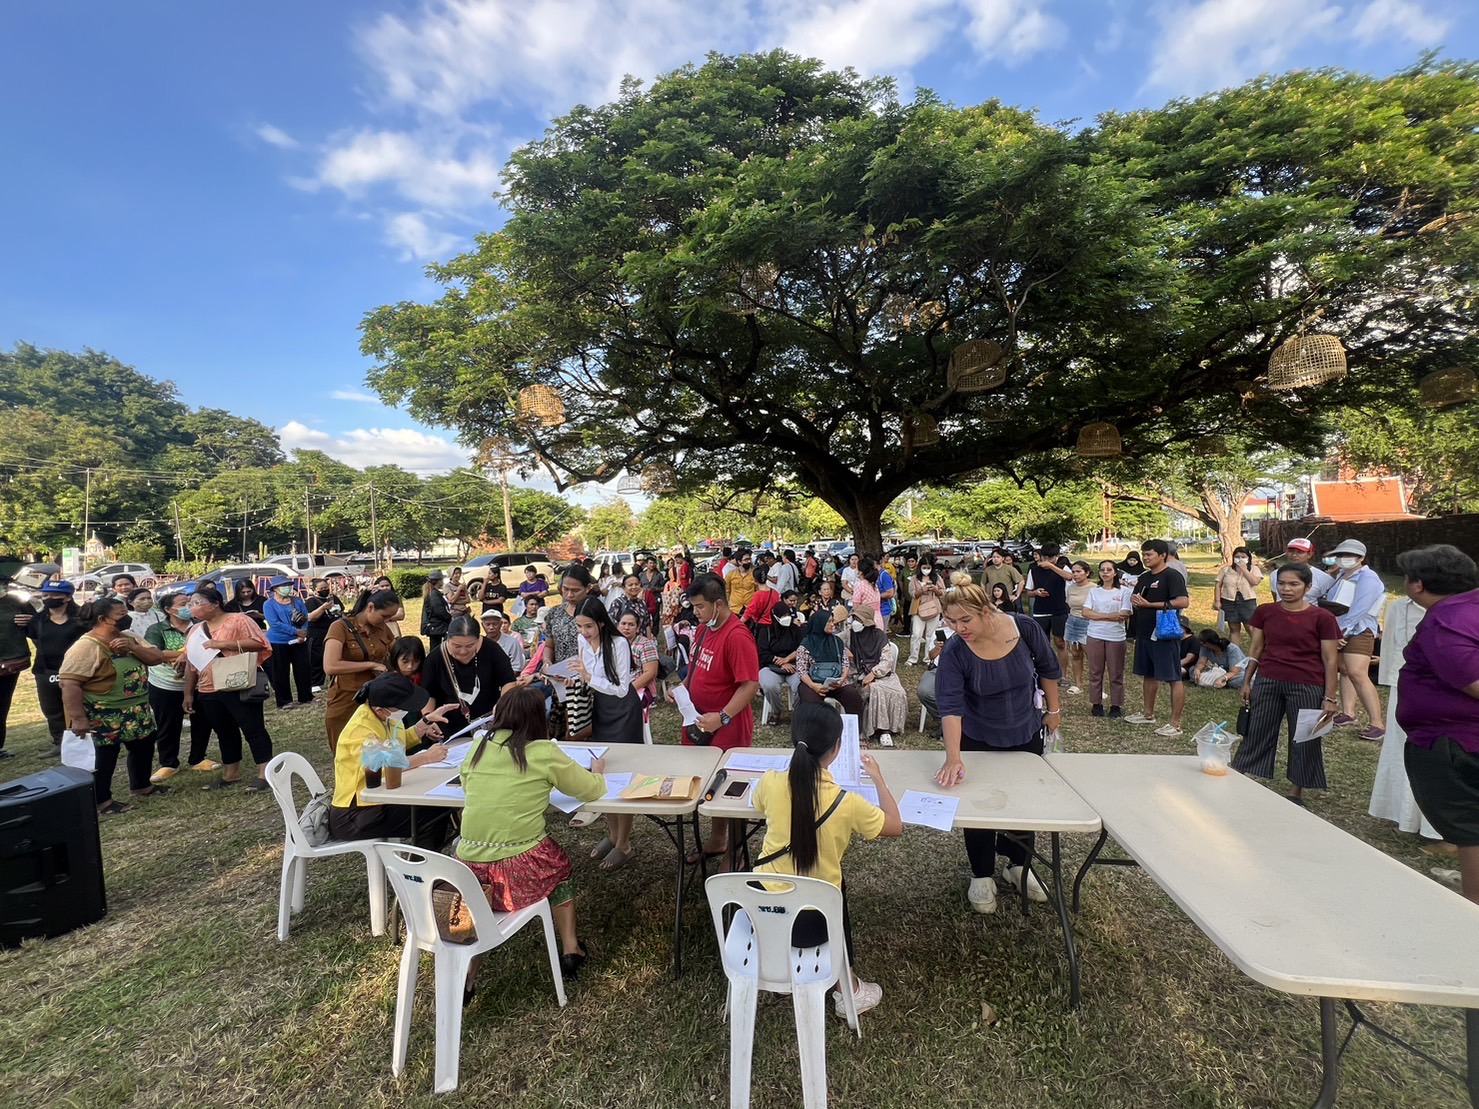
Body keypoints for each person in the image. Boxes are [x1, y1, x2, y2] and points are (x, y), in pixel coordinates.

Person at [751, 704, 904, 1016]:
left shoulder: (770, 782)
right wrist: (879, 780)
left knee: (824, 887)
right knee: (834, 887)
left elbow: (756, 803)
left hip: (763, 915)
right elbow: (895, 826)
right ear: (837, 749)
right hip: (815, 923)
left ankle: (780, 969)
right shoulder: (847, 803)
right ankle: (848, 988)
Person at [456, 686, 607, 986]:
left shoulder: (479, 746)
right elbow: (590, 789)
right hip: (517, 871)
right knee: (560, 868)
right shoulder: (543, 751)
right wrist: (599, 771)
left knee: (477, 911)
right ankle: (570, 948)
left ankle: (469, 973)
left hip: (468, 870)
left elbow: (466, 784)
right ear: (539, 717)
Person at [933, 572, 1062, 914]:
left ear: (986, 610)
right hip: (979, 736)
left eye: (965, 619)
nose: (959, 628)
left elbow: (1049, 668)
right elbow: (950, 705)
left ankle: (1019, 865)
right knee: (979, 808)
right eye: (951, 621)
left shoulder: (1024, 628)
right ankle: (981, 875)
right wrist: (953, 757)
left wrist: (1054, 711)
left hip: (1025, 732)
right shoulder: (956, 652)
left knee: (1024, 803)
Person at [1393, 544, 1479, 903]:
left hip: (1457, 742)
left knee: (1472, 830)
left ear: (1417, 585)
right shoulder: (1470, 606)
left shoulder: (1446, 623)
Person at [1232, 564, 1342, 805]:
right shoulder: (1265, 612)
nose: (1287, 589)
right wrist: (1247, 680)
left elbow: (1330, 659)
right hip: (1268, 679)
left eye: (1294, 584)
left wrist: (1330, 697)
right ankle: (1240, 776)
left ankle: (1296, 791)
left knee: (1304, 737)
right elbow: (1257, 648)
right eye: (1282, 583)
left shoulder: (1323, 618)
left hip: (1308, 684)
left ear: (1308, 587)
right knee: (1257, 730)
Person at [673, 573, 760, 864]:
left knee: (730, 791)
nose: (695, 612)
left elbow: (750, 684)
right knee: (708, 786)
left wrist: (722, 717)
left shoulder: (737, 636)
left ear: (719, 604)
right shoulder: (703, 629)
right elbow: (696, 666)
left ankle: (735, 851)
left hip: (726, 728)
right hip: (699, 723)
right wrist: (683, 690)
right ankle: (718, 840)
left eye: (699, 606)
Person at [58, 596, 173, 813]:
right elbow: (69, 683)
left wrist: (133, 648)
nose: (126, 617)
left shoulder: (129, 636)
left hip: (137, 709)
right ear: (103, 619)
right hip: (104, 712)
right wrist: (79, 718)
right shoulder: (86, 646)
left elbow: (157, 657)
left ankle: (142, 786)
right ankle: (102, 801)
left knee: (144, 745)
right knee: (105, 756)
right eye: (121, 615)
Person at [328, 673, 452, 846]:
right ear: (381, 709)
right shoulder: (362, 729)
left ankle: (422, 865)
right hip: (355, 813)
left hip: (380, 799)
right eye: (402, 707)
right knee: (430, 814)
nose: (406, 710)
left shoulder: (384, 715)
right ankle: (418, 869)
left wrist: (425, 722)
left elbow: (396, 743)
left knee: (437, 809)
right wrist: (425, 757)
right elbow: (387, 764)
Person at [570, 597, 643, 869]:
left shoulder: (619, 643)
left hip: (622, 710)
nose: (584, 632)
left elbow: (622, 688)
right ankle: (612, 835)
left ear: (601, 622)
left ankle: (624, 842)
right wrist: (575, 677)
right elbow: (586, 673)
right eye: (579, 626)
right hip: (600, 707)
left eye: (588, 626)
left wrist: (589, 679)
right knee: (605, 770)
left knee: (622, 776)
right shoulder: (582, 642)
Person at [182, 585, 275, 792]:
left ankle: (265, 773)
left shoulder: (238, 620)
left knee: (253, 728)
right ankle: (231, 773)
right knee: (224, 731)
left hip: (237, 682)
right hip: (208, 688)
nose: (193, 608)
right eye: (191, 604)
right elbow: (191, 663)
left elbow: (259, 643)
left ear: (215, 604)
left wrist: (223, 644)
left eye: (197, 603)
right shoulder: (195, 630)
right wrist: (188, 693)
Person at [1367, 589, 1440, 841]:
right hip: (1406, 687)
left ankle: (1439, 826)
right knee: (1402, 750)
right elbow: (1391, 653)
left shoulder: (1461, 610)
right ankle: (1405, 816)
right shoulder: (1398, 608)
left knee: (1442, 756)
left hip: (1449, 691)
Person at [145, 591, 217, 781]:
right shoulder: (157, 629)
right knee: (168, 724)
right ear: (169, 610)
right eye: (184, 604)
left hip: (200, 682)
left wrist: (186, 654)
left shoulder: (201, 626)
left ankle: (198, 758)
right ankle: (169, 763)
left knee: (202, 721)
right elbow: (155, 653)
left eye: (191, 603)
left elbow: (211, 645)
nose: (189, 607)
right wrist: (183, 653)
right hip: (165, 684)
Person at [1322, 539, 1387, 740]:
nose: (1344, 558)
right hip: (1340, 629)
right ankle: (1349, 713)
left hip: (1358, 630)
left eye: (1349, 555)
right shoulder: (1341, 575)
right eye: (1341, 554)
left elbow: (1360, 608)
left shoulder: (1368, 578)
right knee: (1345, 671)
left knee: (1358, 673)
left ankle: (1377, 723)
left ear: (1361, 558)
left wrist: (1342, 632)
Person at [1124, 540, 1190, 737]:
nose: (1145, 558)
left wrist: (1151, 605)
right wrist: (1136, 602)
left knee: (1173, 677)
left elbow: (1183, 601)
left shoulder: (1172, 575)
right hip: (1144, 631)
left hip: (1164, 632)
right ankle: (1148, 714)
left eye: (1149, 555)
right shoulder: (1144, 577)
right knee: (1149, 674)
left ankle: (1175, 723)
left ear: (1162, 555)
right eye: (1144, 554)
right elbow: (1137, 598)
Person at [322, 589, 399, 752]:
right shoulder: (340, 627)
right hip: (347, 699)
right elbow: (330, 665)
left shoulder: (382, 629)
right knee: (345, 753)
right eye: (384, 616)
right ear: (370, 607)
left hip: (376, 700)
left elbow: (397, 653)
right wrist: (371, 665)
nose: (387, 620)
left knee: (377, 753)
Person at [422, 614, 517, 736]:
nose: (463, 651)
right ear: (448, 639)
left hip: (489, 723)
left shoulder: (492, 650)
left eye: (470, 646)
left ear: (479, 639)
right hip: (449, 727)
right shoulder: (435, 659)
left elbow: (508, 681)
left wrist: (502, 706)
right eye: (456, 646)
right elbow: (428, 694)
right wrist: (428, 720)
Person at [19, 579, 86, 748]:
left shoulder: (82, 619)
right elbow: (35, 641)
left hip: (78, 670)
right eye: (46, 594)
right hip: (46, 670)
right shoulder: (37, 620)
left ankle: (84, 743)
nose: (49, 598)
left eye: (55, 595)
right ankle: (60, 744)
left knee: (80, 707)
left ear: (67, 598)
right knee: (51, 709)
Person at [850, 603, 907, 744]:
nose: (856, 623)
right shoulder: (850, 635)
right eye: (855, 619)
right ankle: (882, 730)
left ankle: (890, 728)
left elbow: (887, 660)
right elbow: (836, 642)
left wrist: (875, 673)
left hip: (882, 674)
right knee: (874, 689)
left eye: (859, 620)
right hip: (860, 674)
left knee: (898, 692)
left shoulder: (879, 635)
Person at [1083, 559, 1133, 718]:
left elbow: (1124, 614)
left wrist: (1098, 616)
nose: (1105, 572)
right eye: (1102, 570)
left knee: (1116, 673)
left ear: (1115, 572)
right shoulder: (1094, 591)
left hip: (1116, 637)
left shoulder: (1124, 592)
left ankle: (1116, 705)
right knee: (1095, 671)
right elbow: (1086, 612)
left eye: (1108, 570)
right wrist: (1110, 616)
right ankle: (1096, 703)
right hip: (1095, 635)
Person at [796, 607, 864, 717]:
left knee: (853, 696)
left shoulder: (837, 642)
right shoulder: (806, 644)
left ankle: (855, 731)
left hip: (836, 683)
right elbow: (801, 670)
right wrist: (813, 686)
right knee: (810, 702)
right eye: (829, 622)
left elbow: (845, 664)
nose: (833, 624)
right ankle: (817, 732)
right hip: (814, 683)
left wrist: (841, 681)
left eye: (833, 621)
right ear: (820, 624)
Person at [262, 577, 314, 710]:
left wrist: (303, 632)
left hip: (299, 640)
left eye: (289, 585)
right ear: (275, 589)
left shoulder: (297, 600)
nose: (287, 588)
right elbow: (274, 624)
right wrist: (295, 631)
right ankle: (284, 700)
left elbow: (305, 617)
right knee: (280, 672)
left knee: (303, 669)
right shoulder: (269, 604)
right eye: (283, 585)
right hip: (278, 641)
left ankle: (306, 696)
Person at [0, 561, 31, 760]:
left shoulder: (15, 602)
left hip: (11, 661)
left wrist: (29, 621)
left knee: (2, 704)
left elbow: (37, 621)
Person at [757, 594, 805, 724]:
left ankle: (798, 711)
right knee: (769, 685)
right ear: (775, 616)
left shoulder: (795, 630)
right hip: (771, 666)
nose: (786, 619)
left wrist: (788, 660)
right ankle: (776, 711)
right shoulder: (765, 632)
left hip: (793, 667)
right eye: (783, 616)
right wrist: (780, 662)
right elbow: (762, 653)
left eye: (788, 615)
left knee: (801, 684)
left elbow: (802, 648)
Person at [1213, 547, 1263, 648]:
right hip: (1229, 601)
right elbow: (1218, 585)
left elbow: (1254, 582)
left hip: (1247, 601)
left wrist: (1244, 570)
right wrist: (1217, 601)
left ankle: (1259, 650)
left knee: (1250, 627)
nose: (1240, 559)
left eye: (1243, 557)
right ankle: (1235, 652)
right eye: (1237, 557)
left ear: (1248, 558)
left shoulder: (1254, 569)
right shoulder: (1226, 570)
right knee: (1234, 628)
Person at [303, 577, 342, 690]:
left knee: (335, 656)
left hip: (333, 632)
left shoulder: (333, 598)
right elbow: (311, 618)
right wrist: (323, 608)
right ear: (315, 590)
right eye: (322, 588)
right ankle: (316, 683)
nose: (325, 590)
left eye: (326, 588)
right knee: (317, 659)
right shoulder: (311, 601)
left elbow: (341, 612)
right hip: (317, 635)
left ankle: (335, 680)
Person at [906, 556, 945, 665]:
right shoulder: (914, 579)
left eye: (928, 567)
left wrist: (935, 590)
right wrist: (921, 590)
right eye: (924, 567)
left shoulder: (937, 578)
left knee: (930, 635)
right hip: (919, 609)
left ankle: (928, 658)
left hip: (934, 609)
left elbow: (943, 592)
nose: (926, 570)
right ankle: (913, 658)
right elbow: (912, 594)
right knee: (916, 634)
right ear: (920, 567)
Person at [1062, 561, 1094, 695]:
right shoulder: (1070, 588)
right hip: (1072, 621)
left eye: (1079, 571)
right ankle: (1078, 684)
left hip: (1087, 622)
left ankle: (1098, 687)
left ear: (1087, 573)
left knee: (1092, 656)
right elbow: (1069, 603)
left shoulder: (1094, 588)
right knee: (1075, 654)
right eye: (1073, 572)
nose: (1075, 574)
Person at [1276, 537, 1332, 603]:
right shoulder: (1275, 574)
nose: (1294, 555)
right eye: (1291, 551)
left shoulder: (1323, 578)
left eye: (1300, 552)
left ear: (1310, 554)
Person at [420, 571, 451, 654]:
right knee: (436, 649)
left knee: (435, 647)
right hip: (437, 626)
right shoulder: (434, 594)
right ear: (439, 581)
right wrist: (449, 617)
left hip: (435, 626)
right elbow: (438, 611)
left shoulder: (433, 592)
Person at [850, 558, 886, 629]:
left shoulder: (859, 585)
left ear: (860, 572)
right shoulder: (874, 585)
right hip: (878, 618)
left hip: (865, 621)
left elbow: (856, 608)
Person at [725, 549, 757, 615]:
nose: (749, 561)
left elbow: (758, 591)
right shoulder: (731, 575)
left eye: (750, 559)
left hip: (750, 609)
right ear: (739, 562)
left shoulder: (754, 574)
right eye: (746, 560)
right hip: (734, 609)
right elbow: (727, 591)